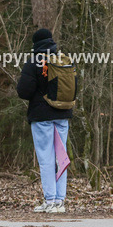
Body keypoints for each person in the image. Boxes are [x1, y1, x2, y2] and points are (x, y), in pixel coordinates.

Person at [16, 28, 74, 213]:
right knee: (61, 158)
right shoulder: (63, 60)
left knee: (46, 159)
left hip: (42, 118)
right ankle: (60, 201)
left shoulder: (33, 62)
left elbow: (23, 92)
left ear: (35, 44)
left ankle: (50, 200)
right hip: (63, 115)